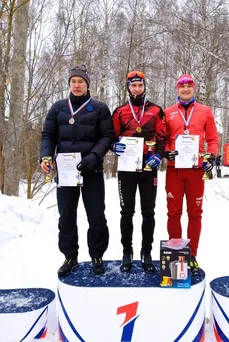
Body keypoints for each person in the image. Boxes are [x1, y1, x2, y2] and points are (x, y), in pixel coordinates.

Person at [40, 64, 114, 276]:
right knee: (66, 215)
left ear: (87, 84)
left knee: (96, 215)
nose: (77, 84)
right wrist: (46, 156)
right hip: (65, 172)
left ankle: (97, 255)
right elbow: (48, 135)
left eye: (80, 81)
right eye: (73, 81)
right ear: (69, 84)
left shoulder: (99, 108)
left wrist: (94, 156)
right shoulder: (58, 108)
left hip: (92, 170)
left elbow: (107, 136)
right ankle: (70, 256)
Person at [164, 74, 219, 274]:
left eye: (189, 86)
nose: (185, 89)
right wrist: (165, 152)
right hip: (174, 170)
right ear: (177, 89)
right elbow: (163, 138)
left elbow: (212, 138)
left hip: (196, 170)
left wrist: (211, 156)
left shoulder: (205, 111)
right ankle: (177, 253)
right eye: (182, 86)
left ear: (194, 88)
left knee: (195, 213)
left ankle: (192, 254)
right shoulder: (168, 112)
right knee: (173, 213)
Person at [112, 70, 166, 273]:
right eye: (133, 85)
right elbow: (112, 136)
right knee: (126, 212)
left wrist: (158, 156)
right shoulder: (119, 111)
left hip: (148, 167)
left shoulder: (155, 110)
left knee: (148, 212)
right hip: (126, 168)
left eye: (140, 85)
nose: (137, 89)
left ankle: (147, 251)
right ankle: (127, 252)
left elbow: (162, 138)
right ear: (128, 87)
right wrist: (113, 147)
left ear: (144, 86)